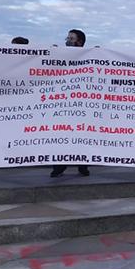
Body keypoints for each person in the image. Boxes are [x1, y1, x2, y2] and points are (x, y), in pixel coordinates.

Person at [51, 29, 91, 178]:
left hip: (82, 105)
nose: (67, 40)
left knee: (83, 136)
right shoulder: (61, 54)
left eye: (71, 38)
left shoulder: (89, 56)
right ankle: (59, 166)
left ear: (79, 41)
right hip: (63, 105)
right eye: (67, 37)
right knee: (61, 135)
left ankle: (83, 165)